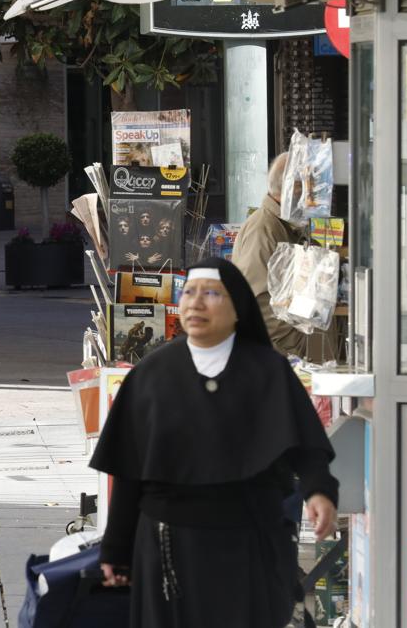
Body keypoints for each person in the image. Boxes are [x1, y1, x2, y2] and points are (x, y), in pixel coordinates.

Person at [90, 257, 338, 628]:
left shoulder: (268, 371)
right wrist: (115, 548)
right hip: (169, 548)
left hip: (249, 544)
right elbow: (129, 470)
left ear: (238, 307)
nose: (196, 303)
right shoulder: (152, 374)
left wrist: (319, 492)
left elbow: (305, 446)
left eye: (211, 294)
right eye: (189, 293)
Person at [232, 153, 340, 362]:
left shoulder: (287, 225)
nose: (315, 200)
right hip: (286, 357)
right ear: (293, 190)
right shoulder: (264, 230)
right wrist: (300, 347)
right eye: (312, 190)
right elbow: (258, 306)